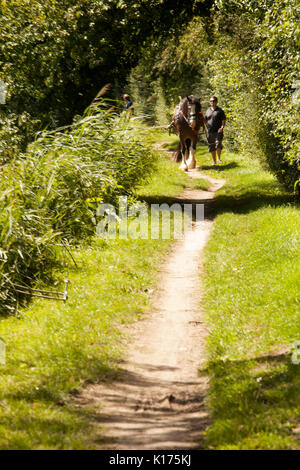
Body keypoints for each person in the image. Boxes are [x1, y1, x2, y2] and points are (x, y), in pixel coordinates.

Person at [204, 96, 226, 165]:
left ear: (216, 102)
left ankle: (219, 159)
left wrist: (222, 127)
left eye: (213, 101)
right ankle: (214, 161)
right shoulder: (208, 111)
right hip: (210, 131)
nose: (212, 102)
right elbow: (205, 120)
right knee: (211, 146)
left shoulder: (220, 111)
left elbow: (223, 120)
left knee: (218, 144)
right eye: (211, 101)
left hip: (218, 131)